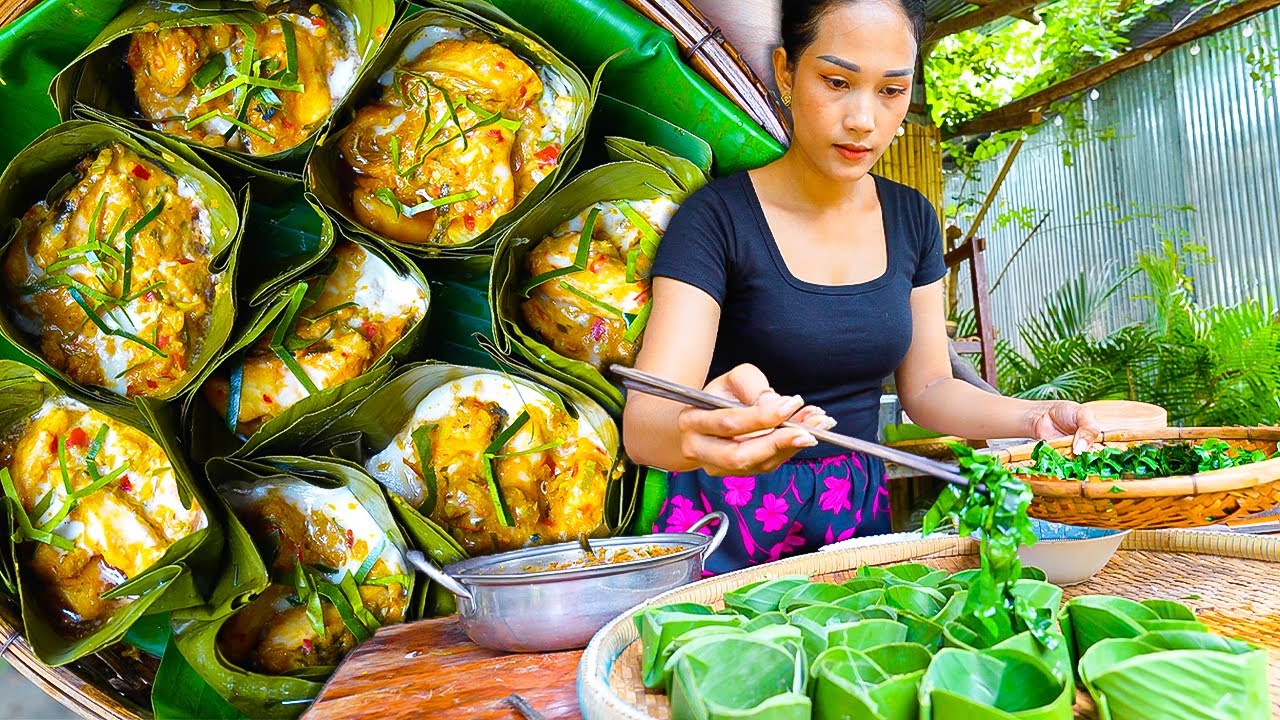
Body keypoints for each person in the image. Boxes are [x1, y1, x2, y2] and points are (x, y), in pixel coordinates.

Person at [622, 0, 1102, 574]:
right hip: (719, 528)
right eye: (836, 81)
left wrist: (1035, 418)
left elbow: (928, 388)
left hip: (855, 526)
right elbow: (646, 424)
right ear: (784, 72)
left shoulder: (912, 219)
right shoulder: (715, 219)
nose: (863, 120)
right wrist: (706, 429)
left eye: (892, 91)